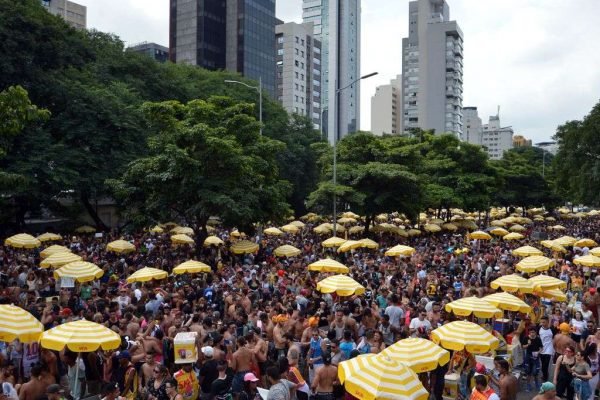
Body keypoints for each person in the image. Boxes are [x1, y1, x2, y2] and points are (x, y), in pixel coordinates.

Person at [538, 316, 555, 382]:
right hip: (541, 349)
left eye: (544, 322)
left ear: (548, 322)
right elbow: (537, 337)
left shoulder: (552, 329)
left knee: (546, 364)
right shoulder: (539, 328)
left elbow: (555, 337)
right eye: (541, 322)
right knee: (542, 365)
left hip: (549, 349)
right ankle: (545, 374)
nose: (542, 323)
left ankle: (545, 377)